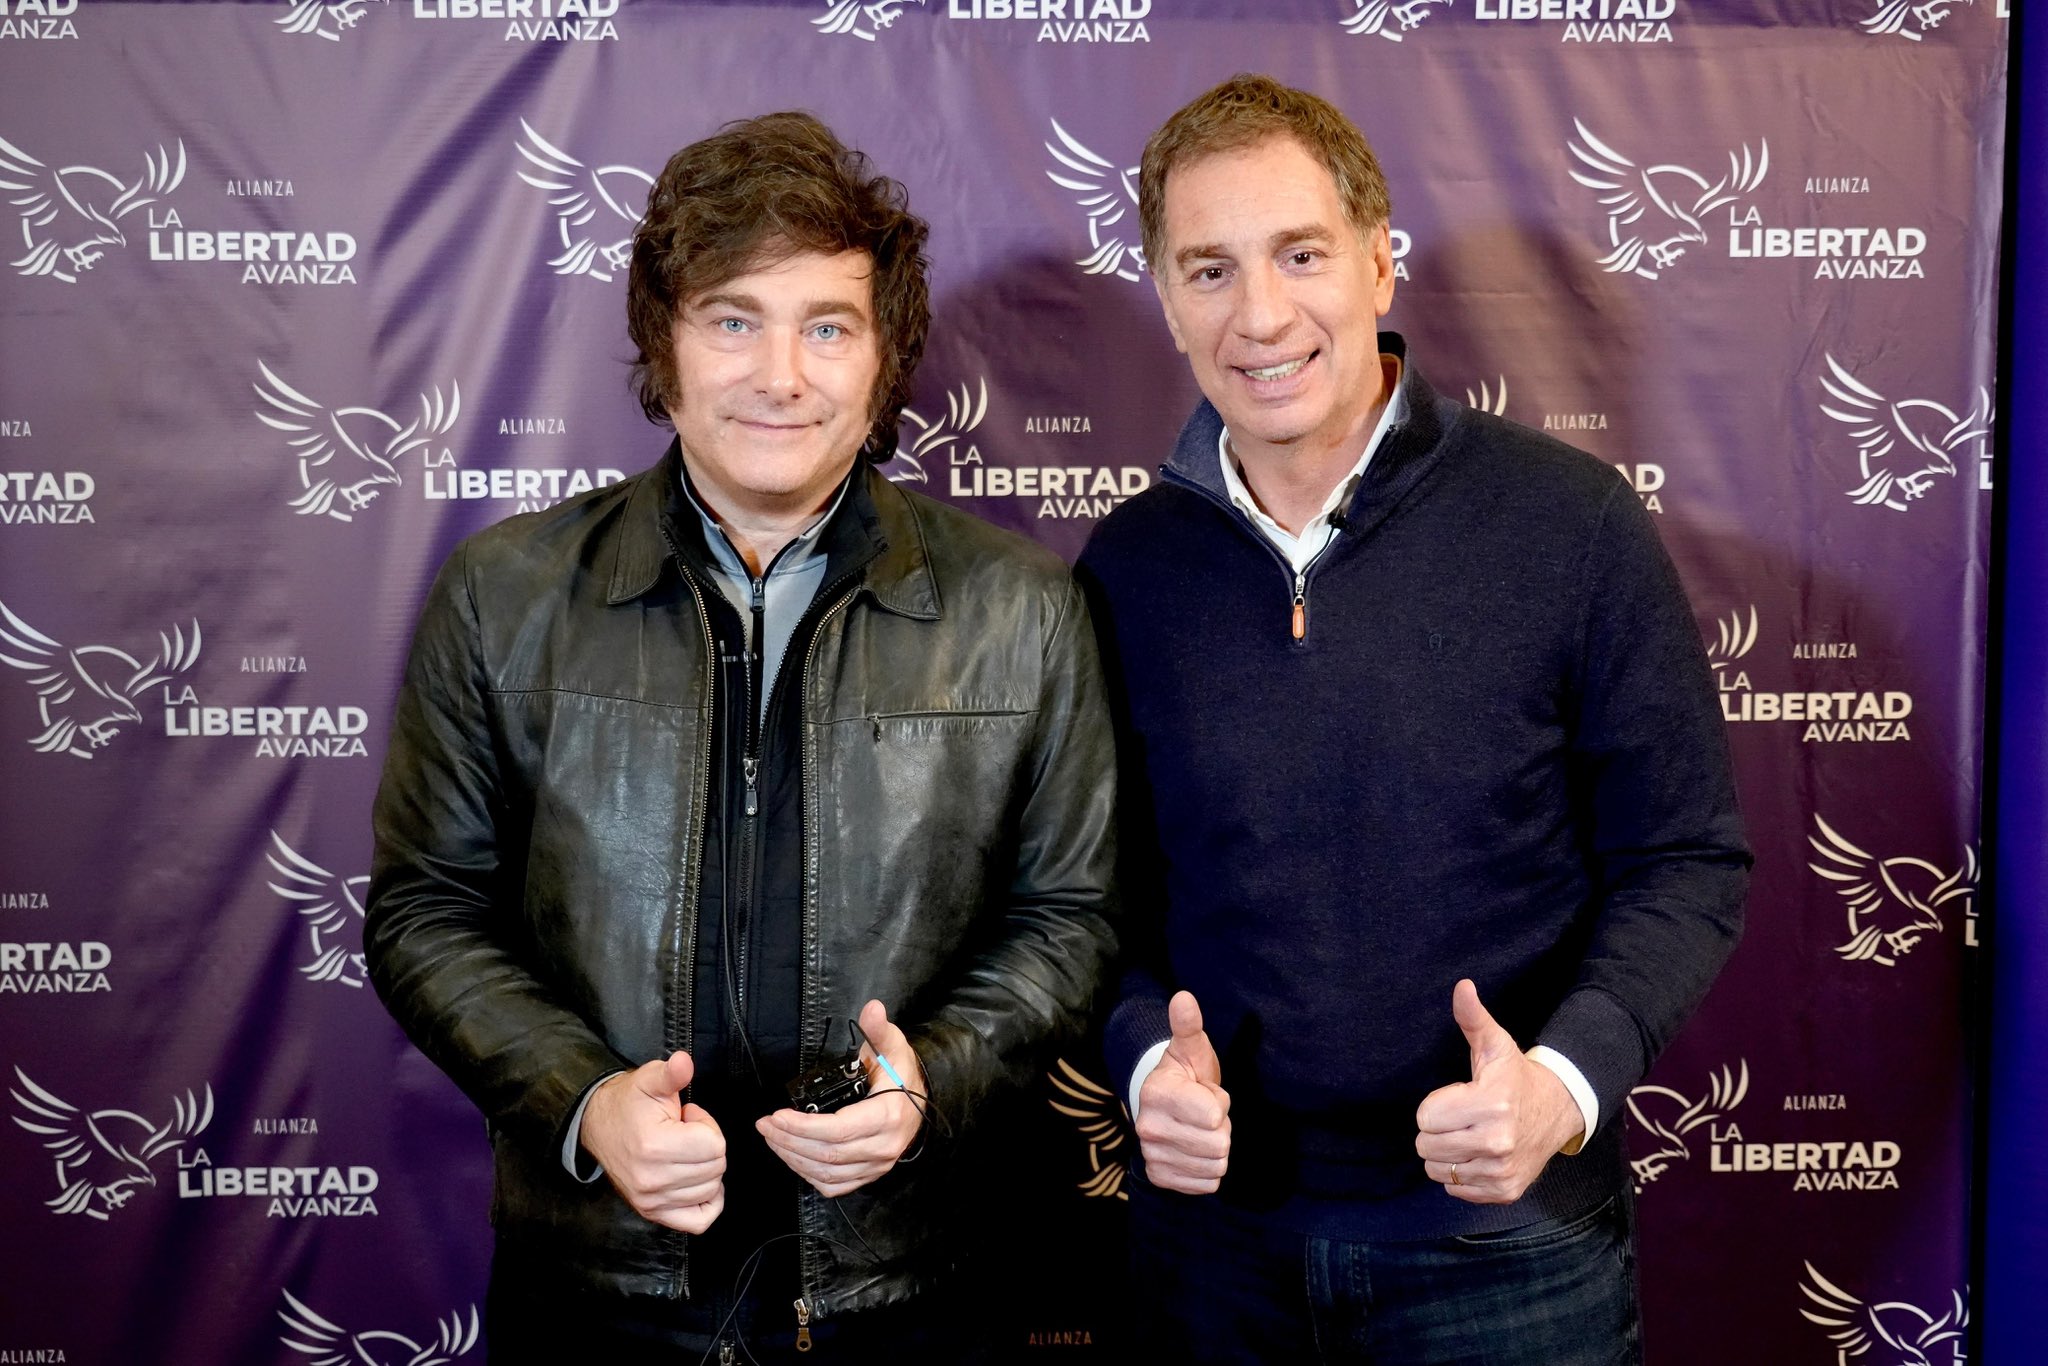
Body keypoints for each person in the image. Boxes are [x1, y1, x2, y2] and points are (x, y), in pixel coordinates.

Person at [366, 111, 1117, 1364]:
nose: (781, 375)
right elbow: (425, 910)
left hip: (914, 1287)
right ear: (662, 345)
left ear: (882, 362)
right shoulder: (503, 596)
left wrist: (926, 1080)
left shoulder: (1021, 609)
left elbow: (1072, 918)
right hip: (599, 1289)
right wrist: (586, 1101)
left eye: (826, 327)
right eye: (732, 321)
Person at [1077, 75, 1749, 1363]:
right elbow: (1087, 899)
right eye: (1209, 270)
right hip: (1210, 1248)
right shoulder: (1126, 567)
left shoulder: (1571, 525)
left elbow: (1685, 858)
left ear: (1379, 264)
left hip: (1508, 1249)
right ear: (1164, 299)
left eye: (1300, 254)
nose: (1259, 314)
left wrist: (1558, 1085)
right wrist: (1141, 1058)